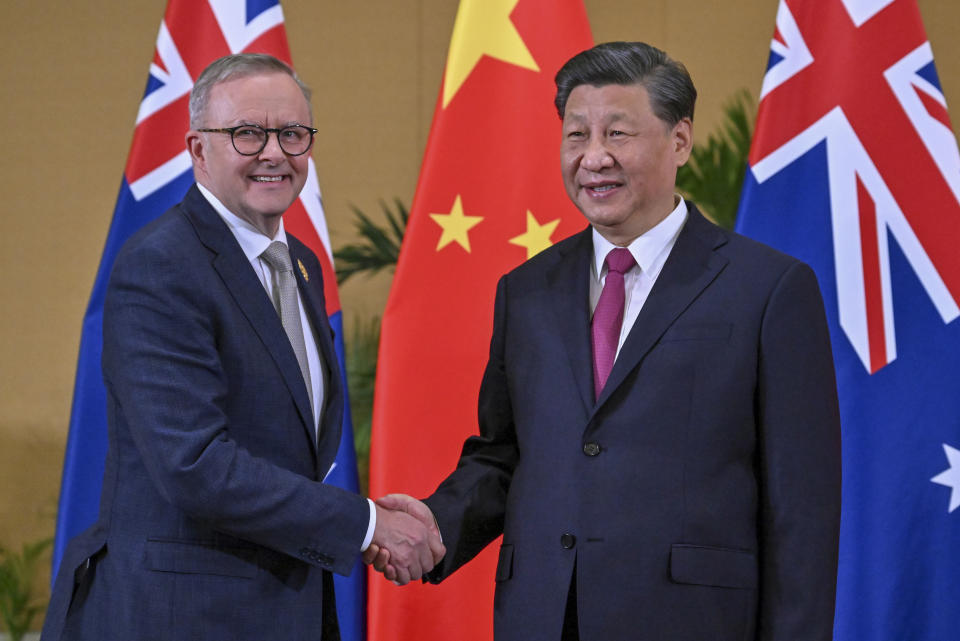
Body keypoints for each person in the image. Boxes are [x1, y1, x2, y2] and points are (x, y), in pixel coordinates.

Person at [368, 42, 841, 641]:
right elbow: (507, 455)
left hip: (695, 622)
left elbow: (802, 510)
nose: (593, 158)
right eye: (576, 136)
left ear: (681, 141)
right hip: (544, 617)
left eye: (618, 134)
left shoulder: (769, 289)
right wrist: (435, 526)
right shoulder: (526, 290)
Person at [42, 53, 442, 641]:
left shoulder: (300, 265)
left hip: (283, 608)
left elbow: (283, 447)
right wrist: (364, 522)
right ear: (198, 149)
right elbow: (195, 464)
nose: (275, 152)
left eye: (292, 133)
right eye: (247, 133)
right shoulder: (160, 266)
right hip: (182, 616)